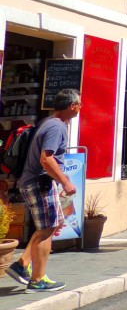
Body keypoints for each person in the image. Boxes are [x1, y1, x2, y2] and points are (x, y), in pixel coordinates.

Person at [5, 89, 81, 292]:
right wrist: (65, 182)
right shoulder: (56, 127)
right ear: (72, 106)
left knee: (49, 225)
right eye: (79, 104)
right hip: (40, 183)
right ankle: (38, 280)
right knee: (47, 229)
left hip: (36, 181)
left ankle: (22, 265)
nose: (80, 108)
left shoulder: (48, 122)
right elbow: (46, 159)